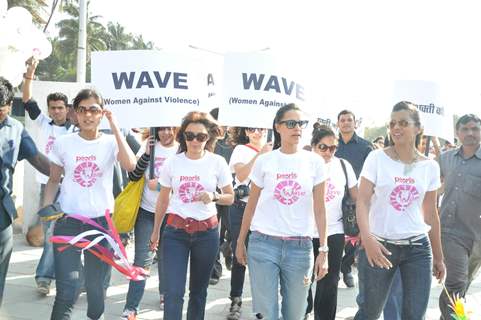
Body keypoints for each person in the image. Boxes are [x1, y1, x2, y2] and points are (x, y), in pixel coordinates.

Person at [43, 88, 136, 320]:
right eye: (82, 109)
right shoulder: (63, 143)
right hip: (68, 223)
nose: (87, 115)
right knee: (68, 288)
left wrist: (115, 126)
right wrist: (47, 210)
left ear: (101, 113)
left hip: (101, 225)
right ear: (75, 112)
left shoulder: (110, 142)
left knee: (96, 289)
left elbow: (131, 166)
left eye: (94, 110)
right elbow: (53, 180)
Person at [236, 103, 329, 320]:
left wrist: (323, 250)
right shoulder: (265, 161)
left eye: (300, 123)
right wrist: (241, 241)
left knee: (295, 314)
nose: (297, 128)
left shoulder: (314, 162)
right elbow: (251, 204)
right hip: (263, 244)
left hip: (300, 247)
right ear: (278, 127)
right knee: (266, 313)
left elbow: (320, 209)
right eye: (290, 123)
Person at [354, 101, 445, 320]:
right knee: (370, 313)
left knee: (414, 316)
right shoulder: (376, 158)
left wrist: (439, 257)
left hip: (418, 249)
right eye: (392, 123)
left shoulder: (430, 166)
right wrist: (367, 240)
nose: (396, 128)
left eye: (403, 123)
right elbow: (363, 201)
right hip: (379, 246)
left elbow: (431, 213)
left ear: (418, 128)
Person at [149, 111, 234, 320]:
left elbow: (230, 197)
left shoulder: (217, 162)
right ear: (183, 137)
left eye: (201, 136)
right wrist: (155, 232)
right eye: (190, 136)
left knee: (198, 293)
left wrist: (213, 196)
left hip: (206, 233)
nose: (195, 141)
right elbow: (163, 199)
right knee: (173, 293)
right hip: (175, 233)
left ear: (209, 138)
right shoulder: (173, 162)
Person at [22, 57, 74, 295]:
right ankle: (44, 278)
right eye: (52, 107)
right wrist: (30, 73)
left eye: (60, 108)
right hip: (49, 189)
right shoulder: (44, 123)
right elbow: (26, 99)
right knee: (52, 233)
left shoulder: (76, 130)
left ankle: (74, 278)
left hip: (73, 188)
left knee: (74, 235)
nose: (56, 111)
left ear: (67, 109)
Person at [0, 77, 50, 306]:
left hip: (2, 214)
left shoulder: (16, 129)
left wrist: (67, 174)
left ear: (10, 106)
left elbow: (38, 160)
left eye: (1, 111)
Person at [120, 127, 178, 319]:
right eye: (162, 129)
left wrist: (160, 185)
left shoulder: (182, 150)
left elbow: (184, 183)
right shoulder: (149, 146)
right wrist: (146, 154)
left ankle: (165, 294)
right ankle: (131, 307)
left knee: (167, 259)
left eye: (170, 128)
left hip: (172, 215)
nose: (166, 133)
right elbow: (133, 176)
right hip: (146, 213)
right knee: (142, 261)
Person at [305, 125, 357, 320]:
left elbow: (356, 196)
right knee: (303, 282)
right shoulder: (303, 164)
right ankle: (304, 310)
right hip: (304, 231)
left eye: (333, 148)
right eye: (323, 147)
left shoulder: (343, 166)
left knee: (329, 284)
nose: (328, 152)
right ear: (313, 146)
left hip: (334, 231)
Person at [225, 126, 272, 320]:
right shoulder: (241, 150)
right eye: (252, 129)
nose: (257, 133)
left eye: (261, 129)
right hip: (240, 209)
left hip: (264, 211)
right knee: (240, 253)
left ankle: (260, 303)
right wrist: (260, 154)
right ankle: (235, 299)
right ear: (246, 132)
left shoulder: (274, 151)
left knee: (261, 258)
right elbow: (241, 175)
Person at [438, 114, 481, 320]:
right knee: (456, 282)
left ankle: (446, 316)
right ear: (457, 132)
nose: (470, 133)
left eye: (475, 128)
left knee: (462, 285)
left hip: (477, 237)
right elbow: (433, 190)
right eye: (465, 129)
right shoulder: (445, 158)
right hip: (450, 231)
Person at [335, 109, 373, 288]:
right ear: (338, 124)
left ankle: (347, 267)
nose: (346, 123)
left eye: (349, 120)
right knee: (334, 234)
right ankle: (333, 269)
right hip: (333, 196)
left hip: (356, 197)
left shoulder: (366, 147)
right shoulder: (331, 145)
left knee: (354, 233)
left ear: (355, 123)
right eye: (342, 120)